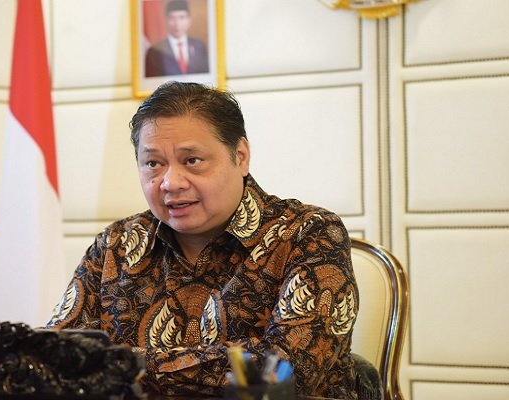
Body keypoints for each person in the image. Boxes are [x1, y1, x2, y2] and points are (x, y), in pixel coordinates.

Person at [47, 81, 359, 399]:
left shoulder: (308, 234)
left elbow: (287, 370)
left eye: (192, 160)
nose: (171, 183)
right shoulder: (117, 244)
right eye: (153, 164)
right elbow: (51, 355)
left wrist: (121, 364)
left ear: (240, 156)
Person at [145, 0, 209, 77]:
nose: (177, 23)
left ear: (189, 20)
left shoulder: (199, 47)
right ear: (166, 20)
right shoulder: (154, 51)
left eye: (182, 17)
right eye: (172, 18)